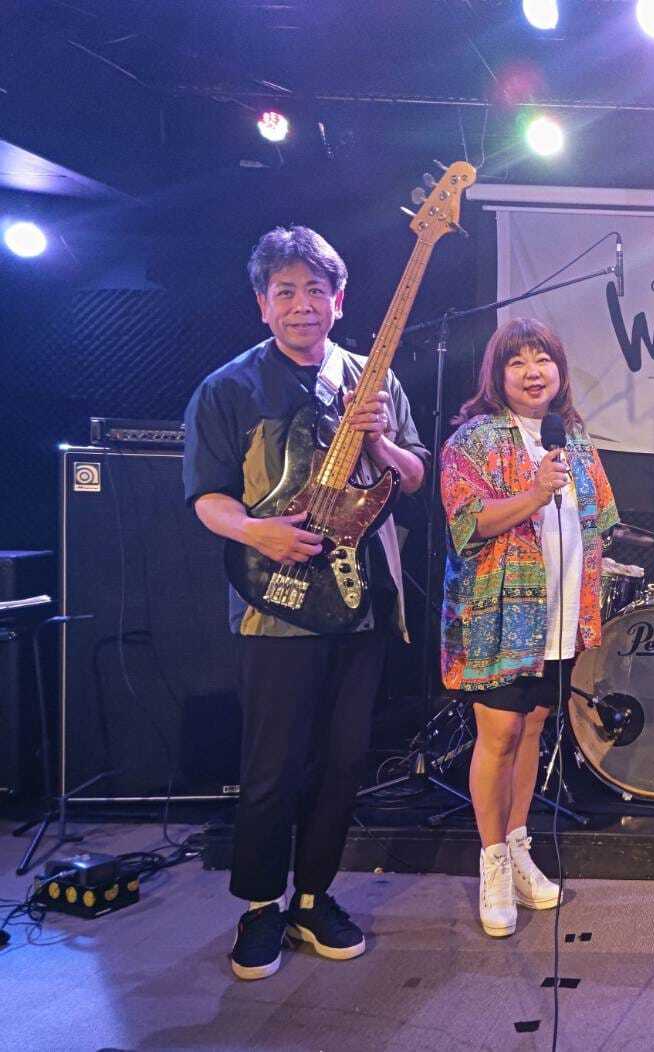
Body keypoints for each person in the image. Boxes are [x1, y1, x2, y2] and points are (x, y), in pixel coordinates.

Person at [182, 225, 429, 980]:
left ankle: (315, 896)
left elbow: (415, 476)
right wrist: (256, 530)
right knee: (272, 766)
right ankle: (261, 905)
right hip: (274, 603)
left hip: (360, 600)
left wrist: (380, 442)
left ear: (339, 300)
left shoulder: (372, 379)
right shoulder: (228, 388)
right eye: (285, 292)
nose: (301, 305)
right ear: (262, 304)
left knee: (344, 762)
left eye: (315, 290)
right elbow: (207, 496)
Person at [440, 318, 619, 937]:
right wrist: (536, 491)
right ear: (498, 375)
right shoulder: (474, 440)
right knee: (499, 734)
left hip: (560, 611)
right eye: (517, 362)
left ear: (559, 370)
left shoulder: (574, 437)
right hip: (499, 615)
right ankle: (491, 862)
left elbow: (600, 516)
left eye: (542, 359)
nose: (532, 372)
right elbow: (468, 523)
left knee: (534, 726)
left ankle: (518, 847)